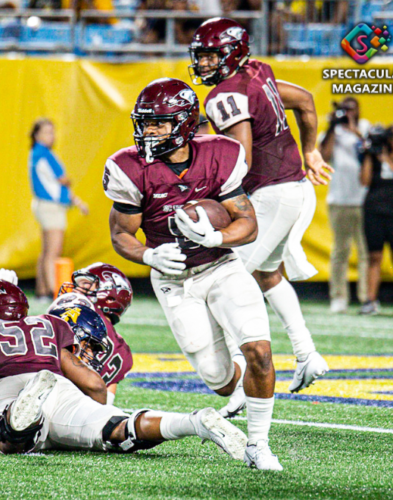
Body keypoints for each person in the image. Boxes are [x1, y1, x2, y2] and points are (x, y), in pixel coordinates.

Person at [103, 77, 282, 470]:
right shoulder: (129, 167)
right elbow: (121, 232)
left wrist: (216, 234)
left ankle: (258, 445)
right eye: (144, 123)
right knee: (219, 380)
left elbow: (247, 223)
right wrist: (149, 255)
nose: (148, 132)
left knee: (261, 352)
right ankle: (233, 369)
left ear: (184, 123)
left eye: (158, 124)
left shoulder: (220, 153)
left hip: (221, 265)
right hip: (174, 279)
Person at [0, 280, 248, 461]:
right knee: (117, 431)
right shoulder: (47, 326)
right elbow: (92, 381)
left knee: (6, 441)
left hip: (1, 385)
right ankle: (192, 422)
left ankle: (19, 420)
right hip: (59, 382)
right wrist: (97, 407)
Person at [189, 17, 331, 394]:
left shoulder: (223, 96)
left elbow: (242, 160)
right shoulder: (256, 70)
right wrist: (311, 149)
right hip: (294, 189)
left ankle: (240, 377)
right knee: (267, 275)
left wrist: (209, 194)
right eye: (199, 57)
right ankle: (307, 354)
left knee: (227, 281)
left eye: (209, 56)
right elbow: (306, 101)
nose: (203, 64)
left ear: (231, 54)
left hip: (273, 192)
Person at [48, 263, 134, 405]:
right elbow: (107, 402)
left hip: (55, 382)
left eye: (86, 285)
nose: (76, 289)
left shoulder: (80, 307)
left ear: (109, 296)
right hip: (85, 405)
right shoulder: (124, 353)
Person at [319, 97, 370, 313]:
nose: (348, 112)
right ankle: (339, 296)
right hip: (339, 198)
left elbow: (371, 150)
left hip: (365, 198)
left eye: (352, 109)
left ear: (358, 110)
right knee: (340, 251)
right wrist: (332, 127)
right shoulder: (333, 133)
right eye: (345, 109)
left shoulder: (365, 127)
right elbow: (324, 156)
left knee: (366, 251)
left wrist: (354, 130)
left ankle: (367, 296)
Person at [29, 118, 88, 300]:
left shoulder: (36, 153)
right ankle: (56, 293)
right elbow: (63, 179)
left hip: (44, 205)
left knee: (46, 251)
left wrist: (76, 201)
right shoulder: (43, 153)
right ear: (37, 135)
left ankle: (41, 290)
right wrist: (77, 200)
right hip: (51, 207)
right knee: (53, 252)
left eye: (52, 132)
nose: (51, 136)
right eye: (46, 132)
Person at [359, 125, 393, 316]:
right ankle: (370, 300)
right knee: (374, 256)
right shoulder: (375, 154)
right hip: (374, 210)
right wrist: (370, 155)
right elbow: (364, 181)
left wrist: (386, 159)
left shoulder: (386, 157)